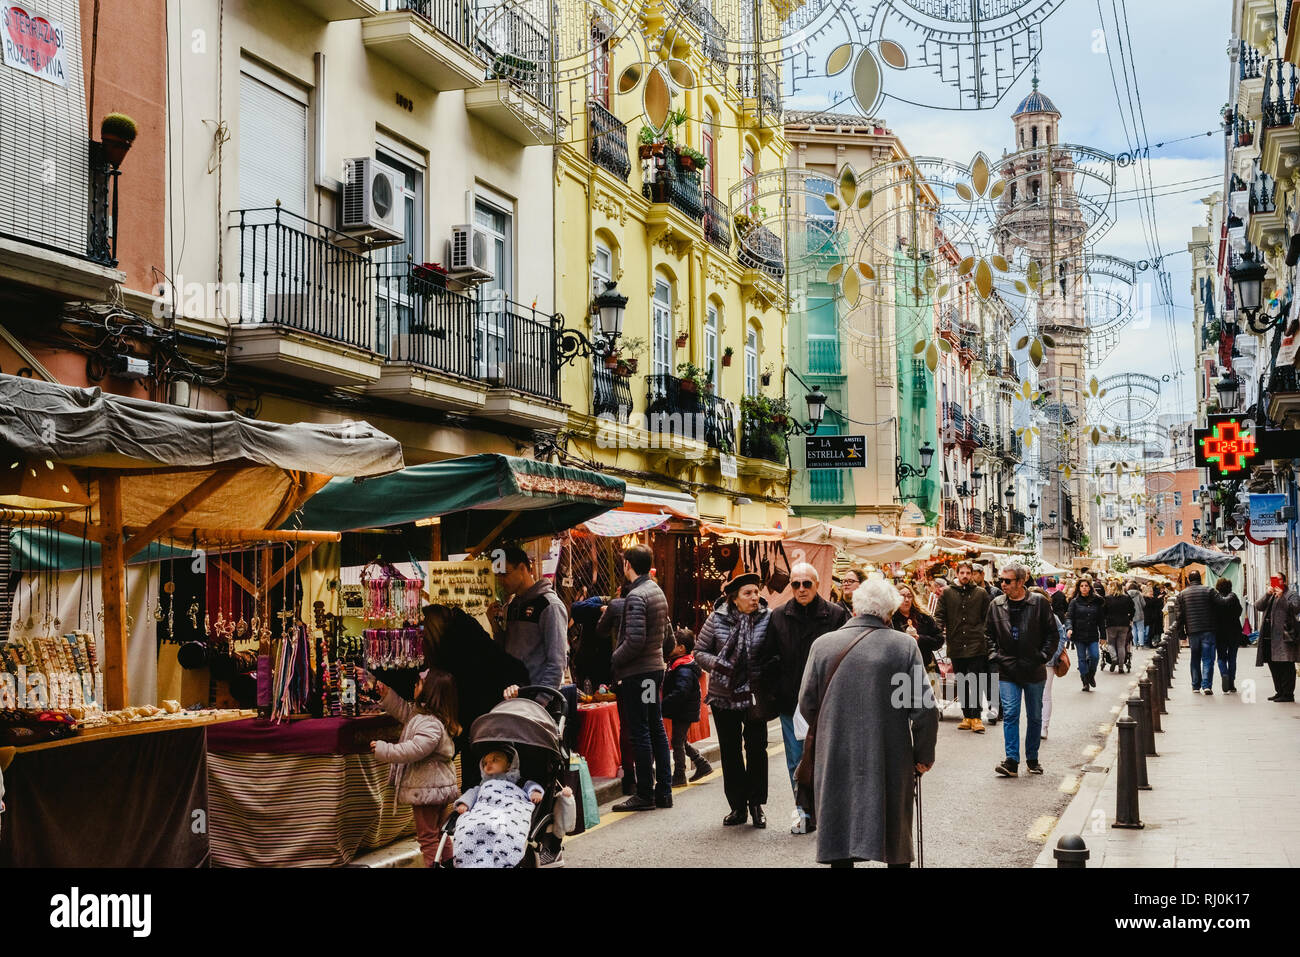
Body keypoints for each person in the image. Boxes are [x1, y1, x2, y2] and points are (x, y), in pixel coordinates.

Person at [798, 578, 938, 868]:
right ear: (890, 612)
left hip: (835, 749)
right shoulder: (903, 647)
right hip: (889, 752)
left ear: (855, 607)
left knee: (839, 831)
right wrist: (923, 756)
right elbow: (924, 708)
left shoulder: (823, 645)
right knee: (894, 832)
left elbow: (807, 703)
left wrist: (832, 726)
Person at [768, 561, 848, 834]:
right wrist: (776, 686)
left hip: (827, 702)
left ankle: (827, 812)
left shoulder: (836, 615)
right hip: (791, 704)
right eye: (795, 584)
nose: (800, 589)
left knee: (828, 759)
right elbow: (769, 656)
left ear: (816, 585)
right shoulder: (778, 616)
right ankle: (803, 814)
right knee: (796, 761)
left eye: (806, 584)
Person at [694, 572, 775, 828]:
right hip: (723, 695)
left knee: (756, 749)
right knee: (730, 751)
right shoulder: (717, 618)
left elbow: (776, 650)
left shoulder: (768, 618)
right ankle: (737, 807)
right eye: (747, 593)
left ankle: (756, 804)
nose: (754, 597)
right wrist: (719, 665)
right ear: (734, 598)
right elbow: (699, 651)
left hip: (753, 693)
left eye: (756, 592)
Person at [420, 604, 530, 788]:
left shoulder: (455, 651)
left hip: (487, 718)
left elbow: (467, 697)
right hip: (491, 714)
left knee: (482, 777)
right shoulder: (466, 638)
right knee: (484, 776)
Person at [370, 669, 461, 868]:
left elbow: (414, 749)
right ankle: (448, 863)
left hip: (427, 790)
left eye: (419, 684)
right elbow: (404, 711)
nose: (414, 685)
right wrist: (387, 695)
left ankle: (434, 865)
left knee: (428, 837)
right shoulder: (428, 718)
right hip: (435, 788)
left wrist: (385, 749)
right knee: (440, 834)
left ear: (430, 692)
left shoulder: (430, 724)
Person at [609, 544, 673, 812]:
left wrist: (614, 659)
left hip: (640, 674)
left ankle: (645, 792)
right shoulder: (656, 591)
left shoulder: (636, 596)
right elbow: (667, 637)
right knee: (654, 726)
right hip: (654, 670)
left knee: (642, 730)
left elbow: (634, 641)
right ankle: (664, 791)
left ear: (627, 565)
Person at [988, 562, 1059, 777]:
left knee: (1035, 716)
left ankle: (1032, 758)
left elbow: (1052, 635)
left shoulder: (1039, 603)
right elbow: (987, 635)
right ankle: (1011, 761)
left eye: (1007, 581)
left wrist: (1042, 656)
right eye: (1001, 580)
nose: (1003, 584)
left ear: (1020, 581)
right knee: (1010, 714)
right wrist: (995, 655)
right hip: (1007, 669)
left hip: (1034, 669)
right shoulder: (996, 604)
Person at [451, 747, 575, 868]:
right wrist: (464, 804)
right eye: (484, 763)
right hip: (483, 813)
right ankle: (473, 862)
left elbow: (531, 786)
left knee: (507, 830)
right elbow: (471, 794)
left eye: (495, 760)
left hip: (509, 811)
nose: (488, 764)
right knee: (470, 828)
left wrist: (535, 792)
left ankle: (502, 860)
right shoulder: (482, 786)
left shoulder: (519, 783)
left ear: (509, 765)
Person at [489, 546, 567, 689]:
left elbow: (557, 663)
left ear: (522, 568)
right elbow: (506, 651)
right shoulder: (512, 606)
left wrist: (540, 701)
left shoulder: (549, 606)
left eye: (504, 574)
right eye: (498, 576)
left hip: (536, 701)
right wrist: (494, 625)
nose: (501, 581)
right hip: (513, 696)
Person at [934, 561, 992, 733]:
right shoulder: (947, 594)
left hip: (977, 644)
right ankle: (967, 716)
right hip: (957, 644)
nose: (965, 575)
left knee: (975, 681)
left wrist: (986, 638)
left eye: (968, 572)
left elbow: (988, 619)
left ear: (972, 574)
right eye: (962, 572)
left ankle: (976, 717)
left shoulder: (981, 593)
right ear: (956, 574)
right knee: (962, 682)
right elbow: (939, 616)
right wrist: (936, 633)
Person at [662, 627, 713, 786]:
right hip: (683, 709)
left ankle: (679, 775)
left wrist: (664, 704)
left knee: (677, 742)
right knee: (680, 740)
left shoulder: (683, 667)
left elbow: (681, 691)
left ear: (681, 648)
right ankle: (702, 764)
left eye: (673, 643)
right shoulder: (680, 663)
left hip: (684, 710)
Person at [1176, 570, 1228, 694]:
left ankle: (1195, 685)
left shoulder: (1182, 594)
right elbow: (1222, 604)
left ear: (1189, 580)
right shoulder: (1209, 591)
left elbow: (1179, 616)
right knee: (1208, 658)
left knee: (1194, 658)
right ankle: (1206, 685)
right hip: (1208, 630)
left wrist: (1181, 633)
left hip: (1192, 631)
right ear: (1200, 579)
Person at [1032, 587, 1069, 740]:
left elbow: (1061, 637)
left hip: (1046, 661)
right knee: (1031, 696)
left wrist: (1051, 656)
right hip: (1028, 662)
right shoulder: (1023, 615)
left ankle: (1043, 727)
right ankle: (1034, 725)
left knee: (1045, 695)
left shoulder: (1052, 617)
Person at [1256, 574, 1300, 702]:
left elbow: (1296, 609)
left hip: (1285, 636)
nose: (1276, 582)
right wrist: (1267, 594)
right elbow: (1258, 606)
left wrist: (1282, 598)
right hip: (1269, 636)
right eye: (1273, 579)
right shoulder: (1271, 595)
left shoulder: (1291, 594)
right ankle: (1279, 691)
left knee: (1286, 664)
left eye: (1279, 579)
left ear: (1285, 581)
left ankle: (1288, 694)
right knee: (1273, 664)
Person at [892, 582, 944, 673]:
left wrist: (920, 639)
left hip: (926, 667)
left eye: (909, 596)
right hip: (902, 671)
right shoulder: (891, 620)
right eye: (902, 596)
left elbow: (939, 640)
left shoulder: (923, 617)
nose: (906, 599)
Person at [1066, 578, 1105, 690]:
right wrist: (1069, 628)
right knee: (1082, 659)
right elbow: (1069, 617)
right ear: (1079, 588)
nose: (1084, 588)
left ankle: (1091, 675)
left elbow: (1101, 620)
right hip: (1079, 634)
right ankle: (1085, 681)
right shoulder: (1074, 602)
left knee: (1095, 656)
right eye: (1082, 586)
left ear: (1090, 587)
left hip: (1092, 634)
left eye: (1086, 586)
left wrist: (1103, 636)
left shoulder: (1096, 601)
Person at [1213, 579, 1244, 694]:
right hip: (1234, 631)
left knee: (1221, 657)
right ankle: (1231, 683)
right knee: (1232, 658)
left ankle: (1224, 674)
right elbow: (1239, 612)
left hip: (1220, 632)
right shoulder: (1234, 597)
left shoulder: (1216, 599)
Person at [1103, 580, 1136, 673]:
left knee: (1110, 644)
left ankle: (1114, 658)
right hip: (1124, 623)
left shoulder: (1107, 598)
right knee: (1121, 645)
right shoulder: (1126, 598)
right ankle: (1121, 667)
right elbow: (1133, 610)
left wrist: (1105, 619)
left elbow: (1103, 611)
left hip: (1111, 624)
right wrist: (1130, 619)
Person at [1127, 580, 1146, 648]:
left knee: (1133, 629)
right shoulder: (1139, 594)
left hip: (1131, 615)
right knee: (1140, 629)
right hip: (1139, 614)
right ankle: (1141, 644)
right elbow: (1144, 604)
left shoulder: (1126, 594)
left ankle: (1135, 644)